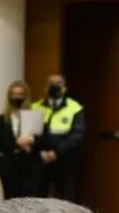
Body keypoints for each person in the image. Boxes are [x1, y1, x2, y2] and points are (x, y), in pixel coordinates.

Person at [31, 73, 86, 202]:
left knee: (66, 201)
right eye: (51, 84)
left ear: (65, 87)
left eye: (59, 84)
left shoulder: (75, 108)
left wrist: (56, 152)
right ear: (45, 88)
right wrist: (42, 152)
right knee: (37, 200)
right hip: (41, 161)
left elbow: (77, 135)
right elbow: (31, 134)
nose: (55, 87)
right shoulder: (35, 107)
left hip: (65, 161)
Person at [0, 80, 41, 200]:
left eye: (20, 94)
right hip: (9, 167)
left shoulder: (34, 117)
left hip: (29, 167)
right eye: (13, 94)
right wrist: (16, 143)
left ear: (26, 96)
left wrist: (32, 141)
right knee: (11, 203)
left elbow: (44, 141)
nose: (16, 97)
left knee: (29, 203)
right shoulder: (1, 119)